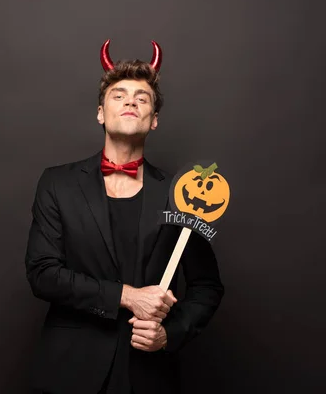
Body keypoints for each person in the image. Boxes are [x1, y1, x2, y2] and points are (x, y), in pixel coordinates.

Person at [25, 40, 224, 394]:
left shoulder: (184, 193)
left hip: (149, 376)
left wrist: (169, 334)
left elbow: (207, 286)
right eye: (118, 95)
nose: (131, 101)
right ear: (100, 112)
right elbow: (42, 273)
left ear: (155, 120)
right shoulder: (57, 183)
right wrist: (128, 296)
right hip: (68, 373)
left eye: (142, 97)